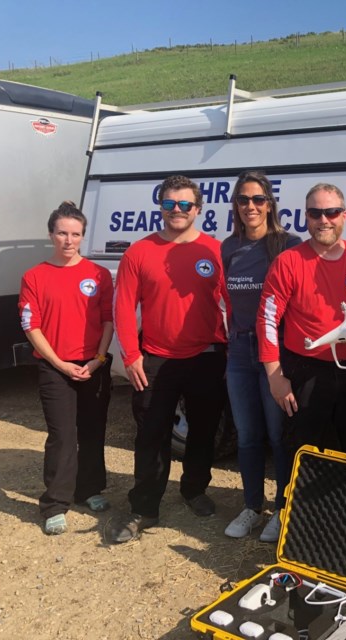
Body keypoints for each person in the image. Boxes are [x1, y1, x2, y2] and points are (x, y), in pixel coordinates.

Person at [110, 175, 229, 544]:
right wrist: (131, 355)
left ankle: (194, 489)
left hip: (206, 356)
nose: (176, 211)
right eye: (169, 204)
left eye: (185, 205)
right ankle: (144, 507)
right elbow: (124, 308)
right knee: (151, 435)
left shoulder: (216, 251)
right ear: (160, 206)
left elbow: (234, 304)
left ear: (198, 209)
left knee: (204, 431)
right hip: (155, 360)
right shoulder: (139, 252)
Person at [258, 183, 346, 466]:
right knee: (305, 453)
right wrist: (275, 376)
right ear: (306, 217)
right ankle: (299, 510)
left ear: (344, 215)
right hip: (306, 371)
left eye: (332, 212)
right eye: (316, 213)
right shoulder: (288, 262)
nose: (324, 220)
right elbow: (267, 320)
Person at [18, 201, 115, 536]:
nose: (69, 240)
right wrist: (59, 363)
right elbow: (32, 327)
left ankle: (88, 490)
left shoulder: (98, 274)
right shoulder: (34, 276)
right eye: (62, 232)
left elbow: (107, 320)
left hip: (93, 365)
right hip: (54, 367)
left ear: (83, 236)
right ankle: (55, 504)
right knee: (62, 436)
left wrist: (98, 360)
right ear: (51, 234)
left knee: (92, 431)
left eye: (75, 234)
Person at [221, 171, 301, 542]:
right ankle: (252, 506)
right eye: (243, 200)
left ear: (270, 203)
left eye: (257, 199)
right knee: (248, 435)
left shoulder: (288, 245)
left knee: (277, 434)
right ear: (235, 206)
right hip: (238, 350)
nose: (250, 207)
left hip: (276, 352)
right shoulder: (228, 247)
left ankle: (283, 509)